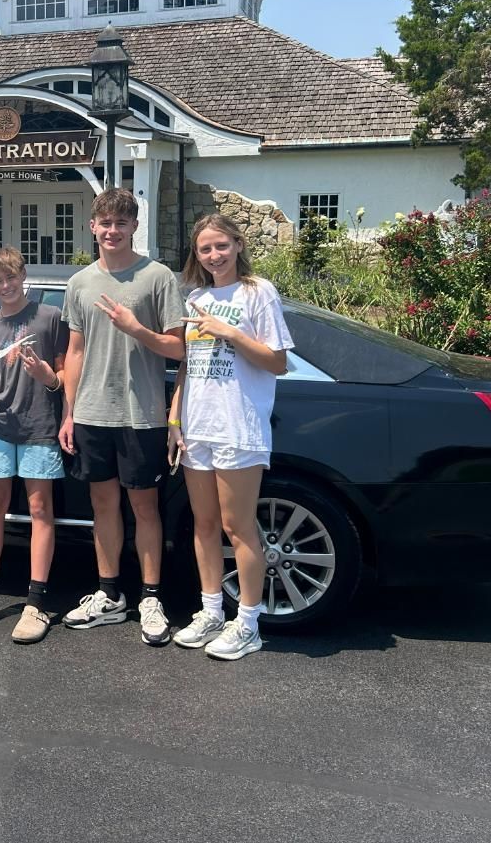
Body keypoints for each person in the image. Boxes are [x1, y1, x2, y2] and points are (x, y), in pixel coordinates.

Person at [58, 188, 185, 646]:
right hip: (92, 413)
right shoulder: (80, 283)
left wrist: (136, 329)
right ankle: (109, 595)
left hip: (142, 415)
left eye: (121, 223)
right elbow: (74, 351)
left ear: (134, 227)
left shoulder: (158, 277)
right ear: (92, 226)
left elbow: (179, 347)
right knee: (103, 507)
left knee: (145, 508)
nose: (112, 231)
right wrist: (69, 412)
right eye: (104, 223)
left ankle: (151, 597)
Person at [167, 213, 294, 661]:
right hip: (199, 426)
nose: (214, 255)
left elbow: (277, 362)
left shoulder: (258, 292)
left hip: (238, 427)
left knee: (238, 527)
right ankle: (211, 612)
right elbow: (187, 365)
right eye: (205, 249)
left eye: (221, 245)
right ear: (196, 255)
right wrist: (175, 420)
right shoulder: (197, 295)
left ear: (238, 245)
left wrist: (230, 332)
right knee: (203, 525)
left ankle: (248, 623)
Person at [0, 246, 68, 644]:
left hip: (40, 426)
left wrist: (48, 376)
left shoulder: (50, 317)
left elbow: (64, 374)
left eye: (10, 277)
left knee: (41, 509)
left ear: (24, 276)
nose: (5, 286)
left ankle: (36, 602)